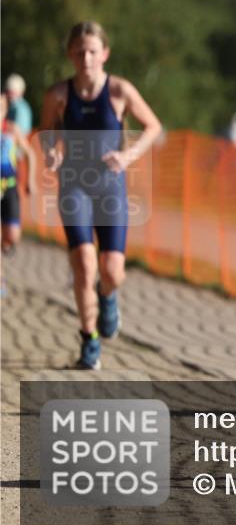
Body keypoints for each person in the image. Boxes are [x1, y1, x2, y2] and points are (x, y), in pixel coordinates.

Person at [40, 22, 162, 370]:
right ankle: (89, 339)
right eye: (79, 52)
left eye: (93, 51)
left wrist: (127, 157)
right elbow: (47, 131)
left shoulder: (120, 91)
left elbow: (153, 126)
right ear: (70, 55)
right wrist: (51, 152)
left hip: (109, 187)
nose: (86, 58)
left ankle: (108, 296)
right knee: (83, 263)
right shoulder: (59, 95)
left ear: (105, 54)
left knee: (111, 271)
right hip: (74, 186)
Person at [1, 92, 37, 296]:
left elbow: (30, 154)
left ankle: (6, 245)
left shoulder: (12, 130)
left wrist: (30, 180)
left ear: (6, 110)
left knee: (12, 236)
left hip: (9, 187)